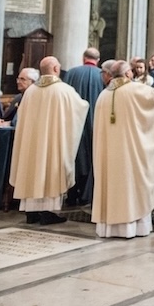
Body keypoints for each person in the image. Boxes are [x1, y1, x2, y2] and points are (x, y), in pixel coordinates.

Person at [91, 61, 154, 238]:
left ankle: (109, 227)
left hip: (108, 156)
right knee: (131, 184)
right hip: (129, 155)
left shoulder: (103, 95)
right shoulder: (135, 89)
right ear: (128, 73)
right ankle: (133, 227)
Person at [9, 57, 89, 226]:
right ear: (54, 68)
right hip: (52, 143)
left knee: (31, 170)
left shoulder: (30, 91)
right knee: (48, 171)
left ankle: (31, 212)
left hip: (31, 144)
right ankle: (48, 212)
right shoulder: (63, 90)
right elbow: (80, 108)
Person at [62, 47, 102, 204]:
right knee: (91, 155)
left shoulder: (71, 73)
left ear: (83, 57)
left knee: (73, 156)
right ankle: (87, 194)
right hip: (95, 122)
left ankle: (72, 195)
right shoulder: (102, 75)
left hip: (74, 122)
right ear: (97, 60)